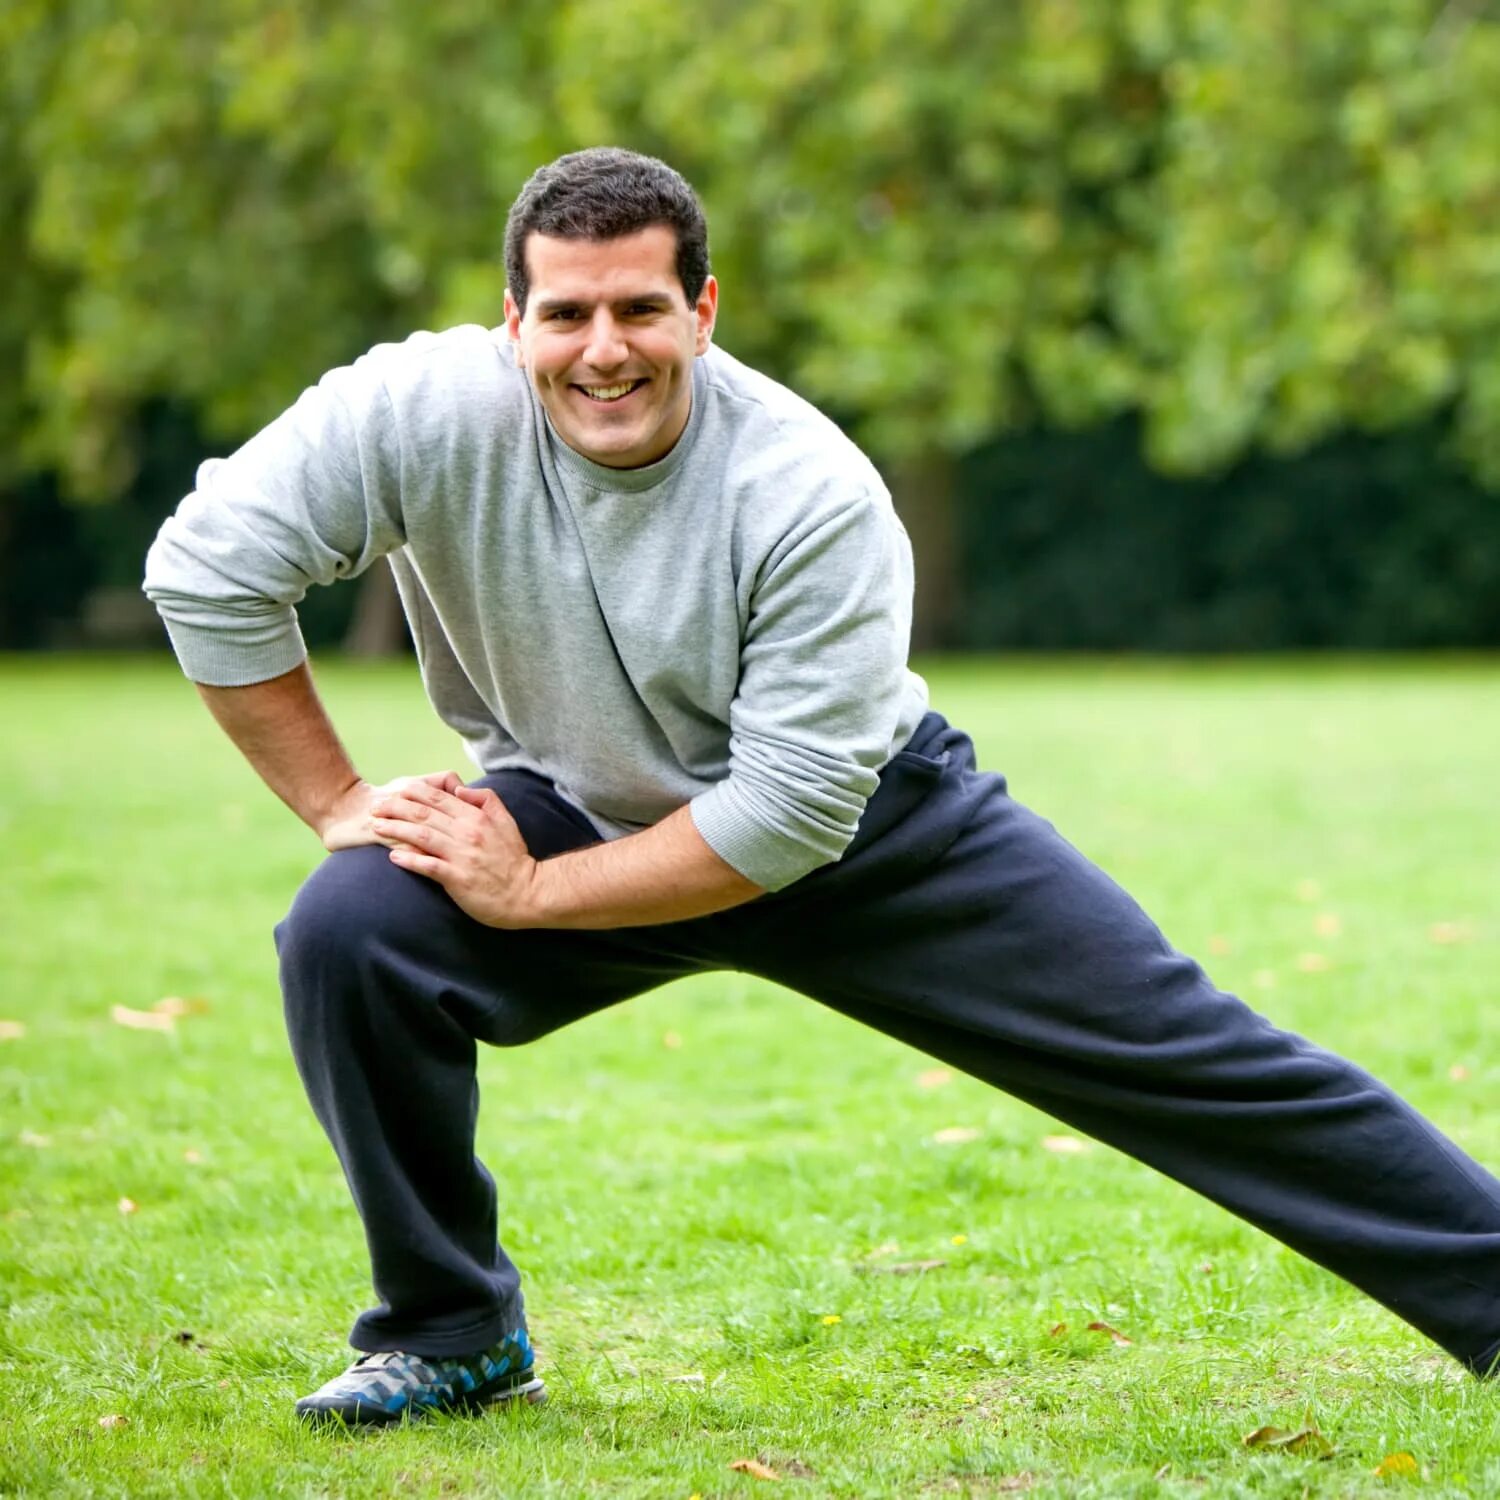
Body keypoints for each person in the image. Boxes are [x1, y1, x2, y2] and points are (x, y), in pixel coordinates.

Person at [144, 147, 1500, 1428]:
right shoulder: (415, 414)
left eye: (641, 308)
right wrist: (334, 801)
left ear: (704, 310)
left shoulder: (810, 493)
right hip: (573, 795)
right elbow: (209, 567)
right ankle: (451, 1336)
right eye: (566, 313)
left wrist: (541, 893)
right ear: (513, 320)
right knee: (352, 931)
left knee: (1191, 1054)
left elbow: (786, 815)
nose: (603, 348)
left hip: (862, 835)